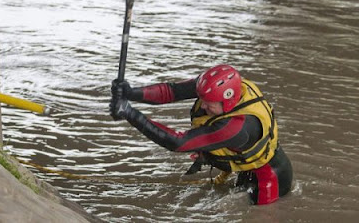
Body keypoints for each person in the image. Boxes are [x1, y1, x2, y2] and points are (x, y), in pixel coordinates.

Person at [110, 64, 293, 205]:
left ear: (227, 101)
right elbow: (170, 92)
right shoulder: (216, 88)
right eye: (202, 99)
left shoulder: (238, 127)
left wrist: (129, 113)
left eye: (209, 103)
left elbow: (178, 142)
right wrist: (131, 93)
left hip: (269, 178)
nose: (203, 106)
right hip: (245, 167)